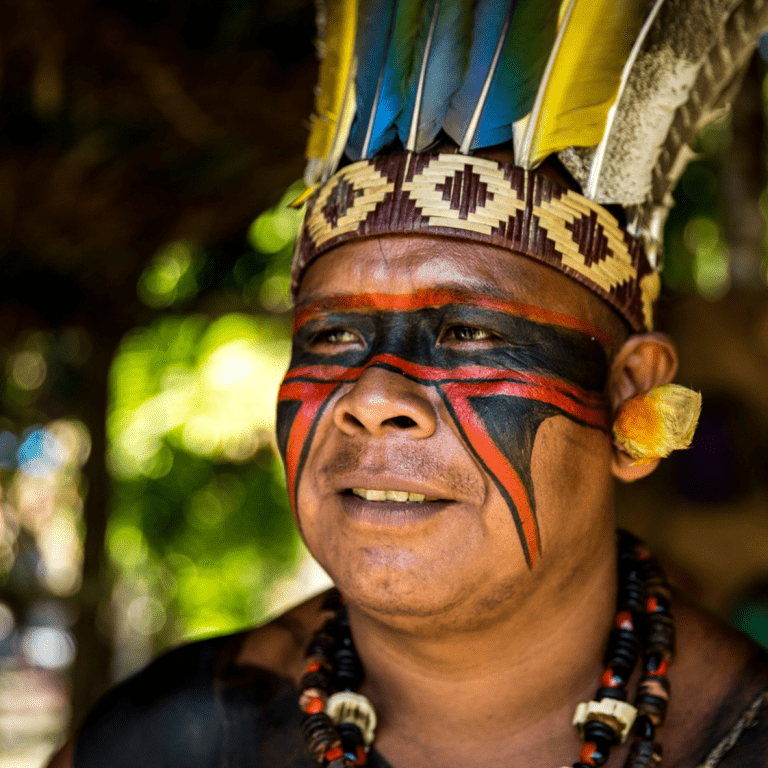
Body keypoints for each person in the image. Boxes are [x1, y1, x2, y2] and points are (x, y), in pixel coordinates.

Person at [48, 1, 768, 766]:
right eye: (332, 337)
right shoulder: (162, 742)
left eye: (468, 334)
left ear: (629, 394)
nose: (371, 399)